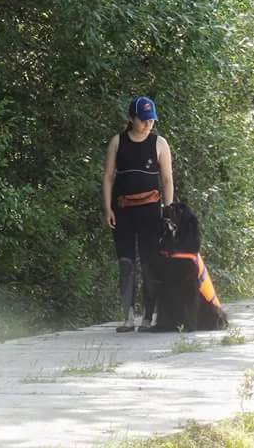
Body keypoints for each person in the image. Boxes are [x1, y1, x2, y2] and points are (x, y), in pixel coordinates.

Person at [102, 96, 174, 332]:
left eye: (151, 120)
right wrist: (107, 208)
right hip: (122, 211)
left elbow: (166, 179)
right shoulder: (117, 142)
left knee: (150, 262)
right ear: (131, 118)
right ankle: (128, 316)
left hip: (151, 211)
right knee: (126, 263)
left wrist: (168, 210)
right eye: (143, 120)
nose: (147, 124)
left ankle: (148, 316)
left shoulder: (159, 143)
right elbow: (109, 177)